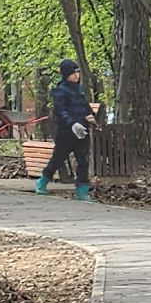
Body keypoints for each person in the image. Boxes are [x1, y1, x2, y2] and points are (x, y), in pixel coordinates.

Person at [35, 58, 97, 202]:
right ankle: (42, 182)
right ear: (65, 74)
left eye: (77, 72)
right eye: (73, 73)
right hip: (66, 132)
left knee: (83, 160)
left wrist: (90, 116)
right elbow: (61, 111)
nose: (76, 75)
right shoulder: (60, 90)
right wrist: (71, 123)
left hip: (82, 130)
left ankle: (82, 190)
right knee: (58, 158)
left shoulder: (80, 89)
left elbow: (84, 106)